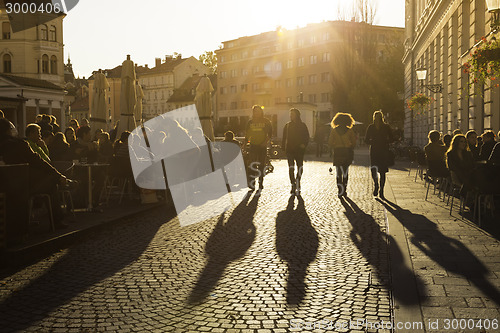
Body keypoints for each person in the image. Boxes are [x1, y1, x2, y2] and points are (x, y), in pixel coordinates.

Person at [0, 118, 72, 229]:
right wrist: (58, 176)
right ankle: (57, 221)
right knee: (51, 184)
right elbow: (39, 161)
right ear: (8, 131)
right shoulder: (20, 145)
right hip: (22, 186)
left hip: (4, 187)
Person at [364, 110, 394, 199]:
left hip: (377, 150)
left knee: (376, 170)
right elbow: (392, 139)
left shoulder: (373, 127)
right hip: (381, 150)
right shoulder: (384, 127)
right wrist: (384, 141)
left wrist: (374, 142)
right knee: (381, 171)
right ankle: (380, 189)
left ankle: (378, 187)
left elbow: (366, 140)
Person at [328, 112, 357, 197]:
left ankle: (339, 190)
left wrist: (335, 145)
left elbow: (330, 142)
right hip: (347, 152)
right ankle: (344, 189)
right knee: (345, 172)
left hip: (337, 152)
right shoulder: (350, 131)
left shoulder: (334, 131)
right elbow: (354, 143)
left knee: (338, 172)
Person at [282, 108, 310, 195]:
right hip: (289, 150)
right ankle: (293, 184)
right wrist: (283, 148)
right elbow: (284, 138)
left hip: (299, 150)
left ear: (297, 115)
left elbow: (307, 137)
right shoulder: (287, 125)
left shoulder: (302, 125)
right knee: (291, 168)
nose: (291, 116)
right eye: (290, 114)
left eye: (292, 114)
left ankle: (298, 180)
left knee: (300, 167)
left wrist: (304, 145)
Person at [245, 105, 272, 190]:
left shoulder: (266, 121)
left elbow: (270, 134)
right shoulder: (250, 122)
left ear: (261, 112)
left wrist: (265, 142)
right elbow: (247, 134)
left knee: (261, 165)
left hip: (262, 146)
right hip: (253, 146)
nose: (256, 113)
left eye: (258, 111)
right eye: (255, 111)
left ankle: (261, 182)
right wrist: (245, 143)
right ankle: (252, 183)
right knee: (252, 164)